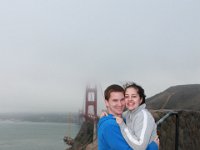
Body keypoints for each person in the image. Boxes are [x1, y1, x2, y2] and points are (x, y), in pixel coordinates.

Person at [98, 84, 158, 150]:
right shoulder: (110, 126)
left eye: (122, 99)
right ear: (106, 103)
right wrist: (153, 147)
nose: (120, 104)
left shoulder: (124, 117)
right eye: (115, 100)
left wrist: (105, 116)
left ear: (140, 100)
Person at [115, 82, 158, 150]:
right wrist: (107, 115)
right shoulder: (129, 113)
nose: (130, 99)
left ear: (140, 100)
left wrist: (122, 125)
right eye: (126, 96)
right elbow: (118, 115)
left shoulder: (143, 116)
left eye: (134, 96)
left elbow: (140, 146)